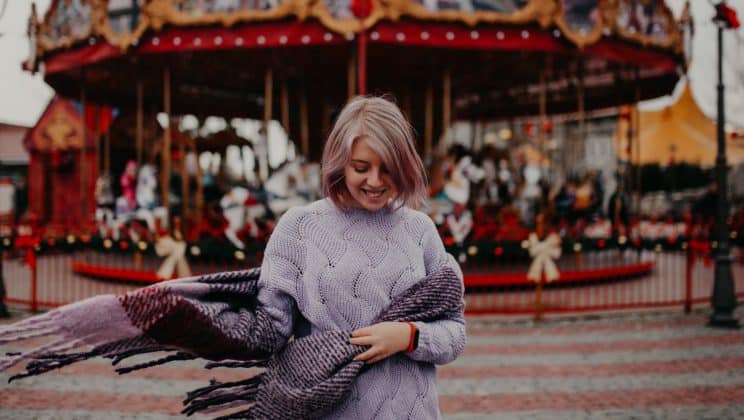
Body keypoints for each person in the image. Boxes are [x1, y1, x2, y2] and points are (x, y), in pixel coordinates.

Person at [257, 95, 466, 418]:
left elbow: (454, 332)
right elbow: (269, 330)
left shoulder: (420, 231)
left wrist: (408, 336)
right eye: (361, 167)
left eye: (388, 169)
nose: (375, 181)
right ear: (340, 162)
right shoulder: (299, 228)